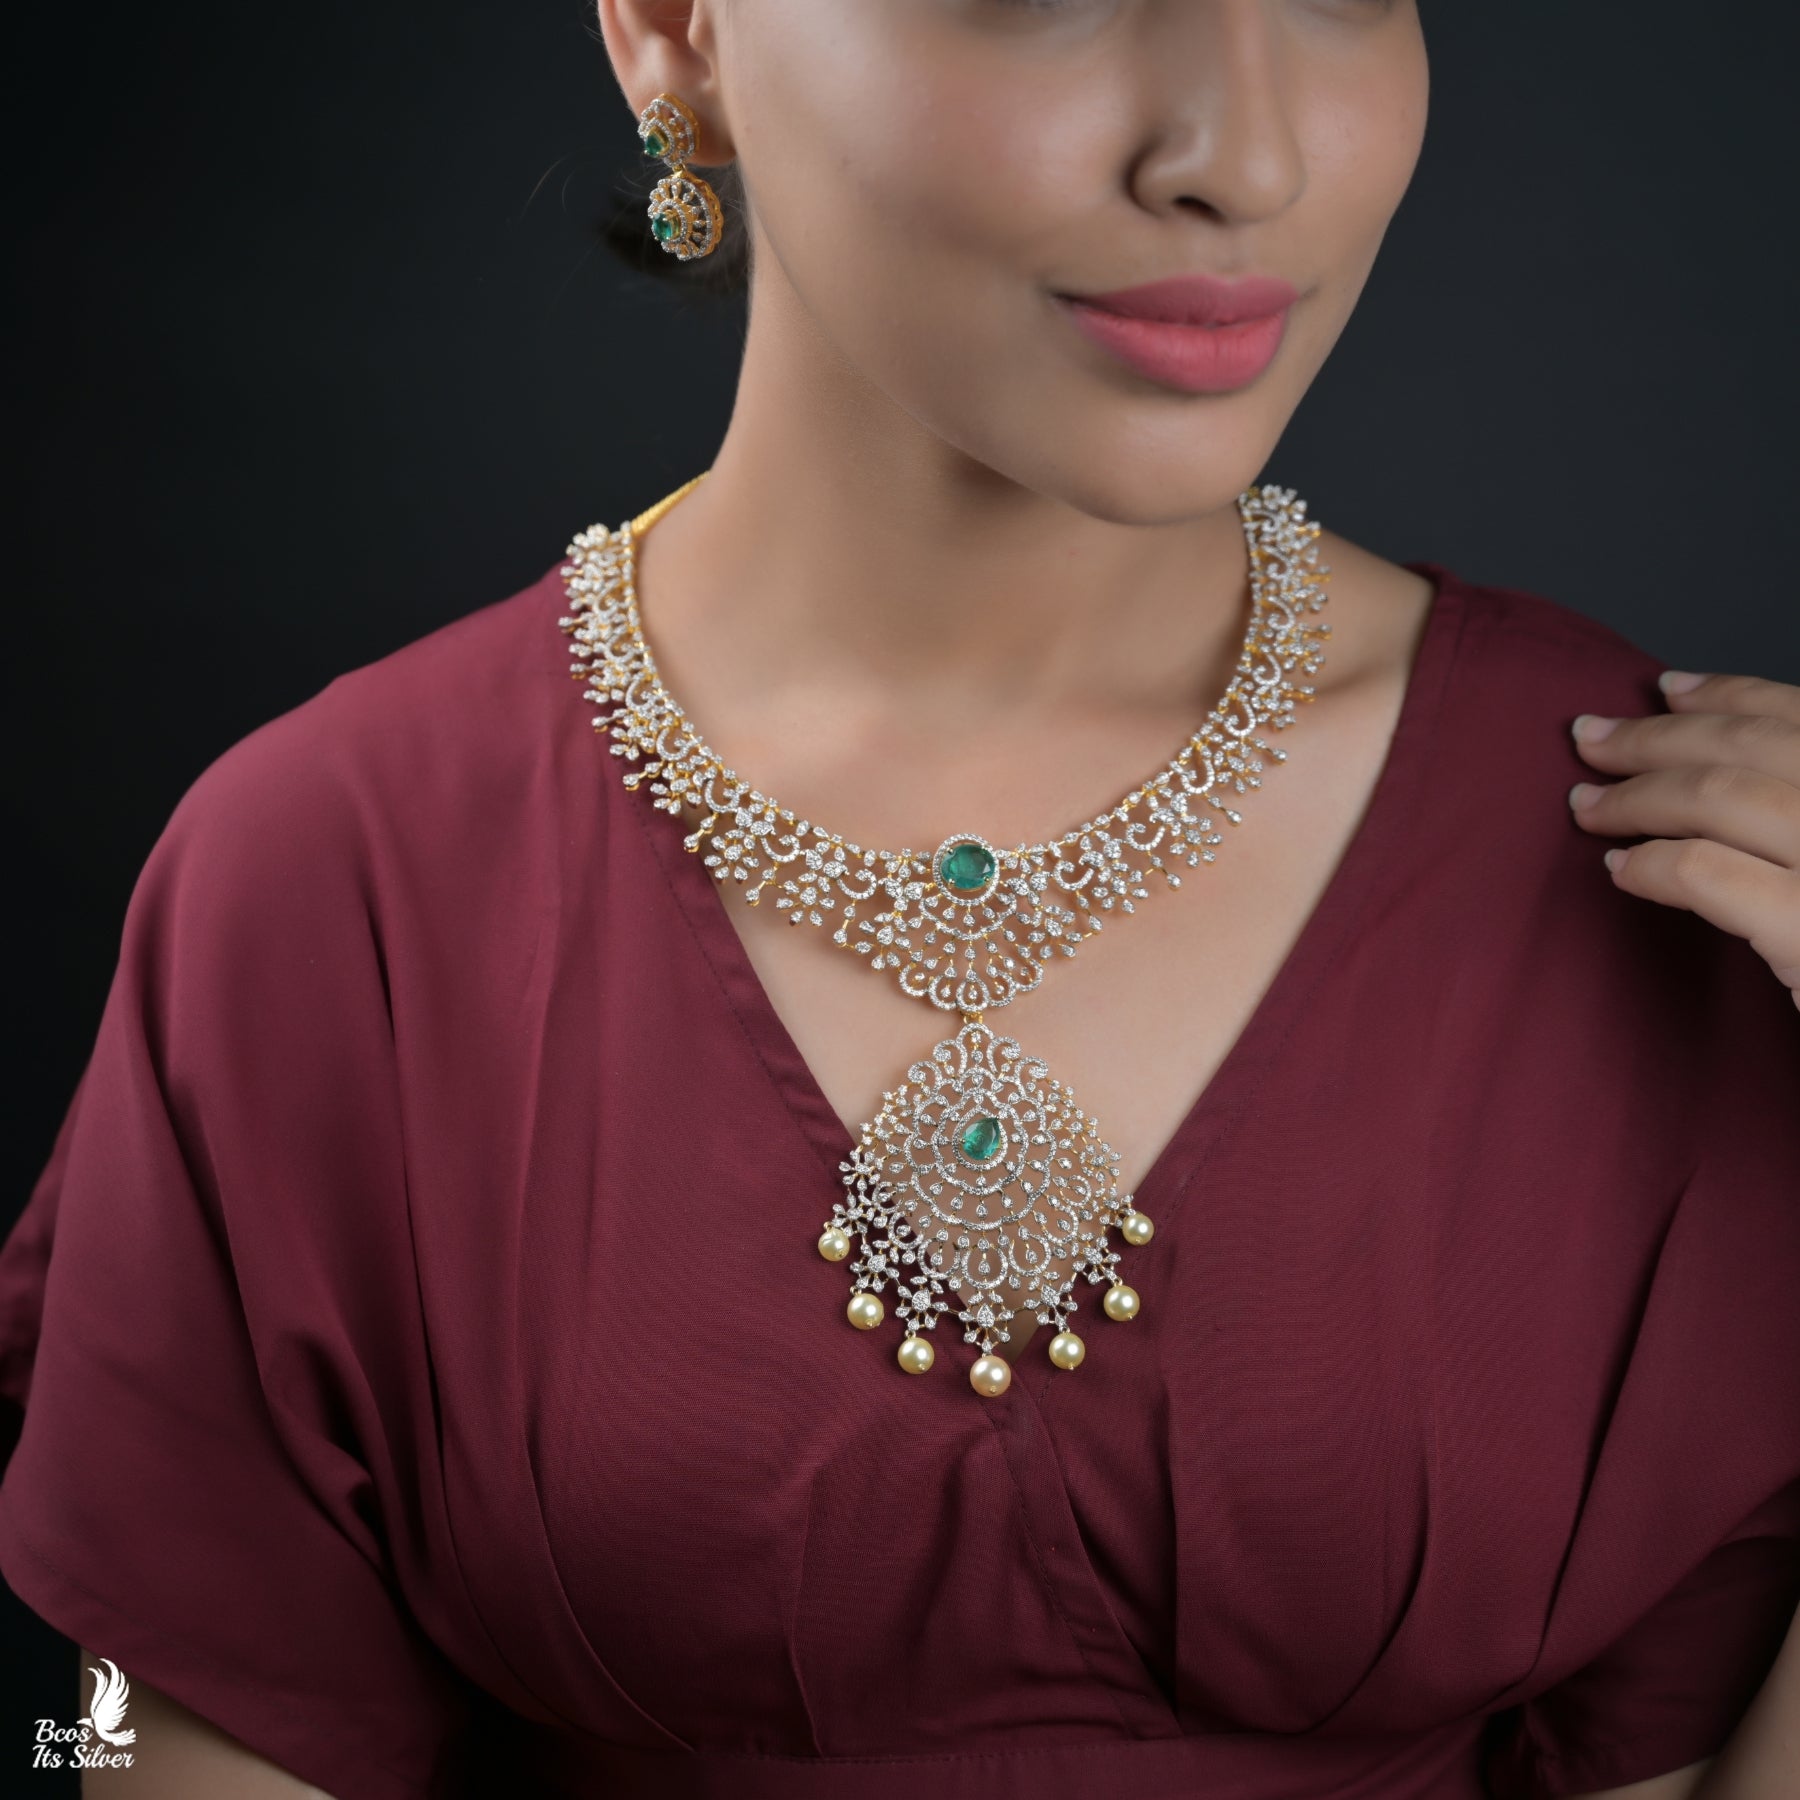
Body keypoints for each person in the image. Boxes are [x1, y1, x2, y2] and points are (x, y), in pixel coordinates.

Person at [2, 2, 1797, 1796]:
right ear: (677, 30)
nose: (1247, 159)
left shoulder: (1658, 856)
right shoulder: (326, 885)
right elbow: (121, 1736)